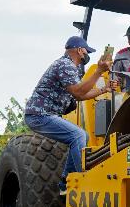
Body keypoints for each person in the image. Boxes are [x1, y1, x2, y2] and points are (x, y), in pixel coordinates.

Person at [24, 36, 113, 192]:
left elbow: (80, 96)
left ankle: (66, 183)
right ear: (79, 50)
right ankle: (85, 180)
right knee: (78, 135)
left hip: (43, 115)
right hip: (40, 115)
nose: (87, 54)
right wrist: (99, 71)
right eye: (86, 51)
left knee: (82, 136)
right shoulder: (65, 65)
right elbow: (79, 92)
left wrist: (103, 89)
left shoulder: (71, 67)